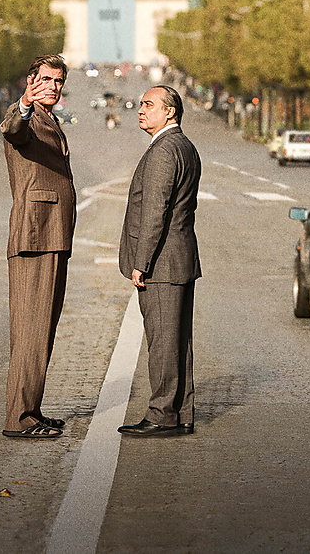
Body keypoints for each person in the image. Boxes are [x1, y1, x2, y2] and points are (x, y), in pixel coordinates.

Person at [0, 54, 76, 439]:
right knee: (30, 330)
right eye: (46, 79)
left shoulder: (51, 118)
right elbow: (12, 129)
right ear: (30, 81)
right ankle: (20, 419)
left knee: (40, 329)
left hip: (51, 234)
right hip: (35, 235)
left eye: (58, 81)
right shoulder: (25, 116)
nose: (53, 86)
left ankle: (32, 408)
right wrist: (25, 104)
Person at [117, 85, 202, 437]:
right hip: (179, 258)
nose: (141, 110)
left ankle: (162, 414)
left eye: (149, 105)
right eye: (140, 105)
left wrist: (142, 261)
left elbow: (155, 212)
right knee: (177, 341)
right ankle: (180, 412)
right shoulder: (184, 146)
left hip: (163, 263)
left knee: (163, 342)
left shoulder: (163, 151)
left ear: (170, 112)